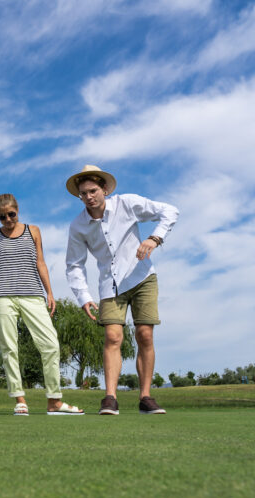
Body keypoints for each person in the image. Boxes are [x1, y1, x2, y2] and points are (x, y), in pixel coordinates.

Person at [65, 165, 179, 415]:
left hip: (142, 277)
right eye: (83, 193)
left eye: (93, 191)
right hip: (110, 285)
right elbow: (74, 265)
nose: (88, 197)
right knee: (113, 337)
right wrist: (83, 296)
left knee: (144, 335)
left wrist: (154, 238)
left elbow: (170, 211)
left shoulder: (127, 204)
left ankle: (146, 397)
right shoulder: (78, 226)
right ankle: (110, 398)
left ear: (104, 189)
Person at [0, 194, 84, 416]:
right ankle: (19, 399)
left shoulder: (34, 231)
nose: (8, 220)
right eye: (2, 217)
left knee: (50, 344)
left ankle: (54, 401)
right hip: (2, 296)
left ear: (18, 210)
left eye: (11, 214)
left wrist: (49, 292)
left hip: (32, 294)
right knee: (9, 348)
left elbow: (40, 262)